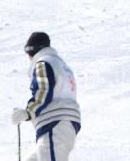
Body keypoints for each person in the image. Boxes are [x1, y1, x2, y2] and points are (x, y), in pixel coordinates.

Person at [11, 32, 81, 161]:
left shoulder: (43, 62)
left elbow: (44, 89)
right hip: (64, 123)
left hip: (54, 123)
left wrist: (28, 112)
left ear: (32, 51)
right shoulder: (59, 64)